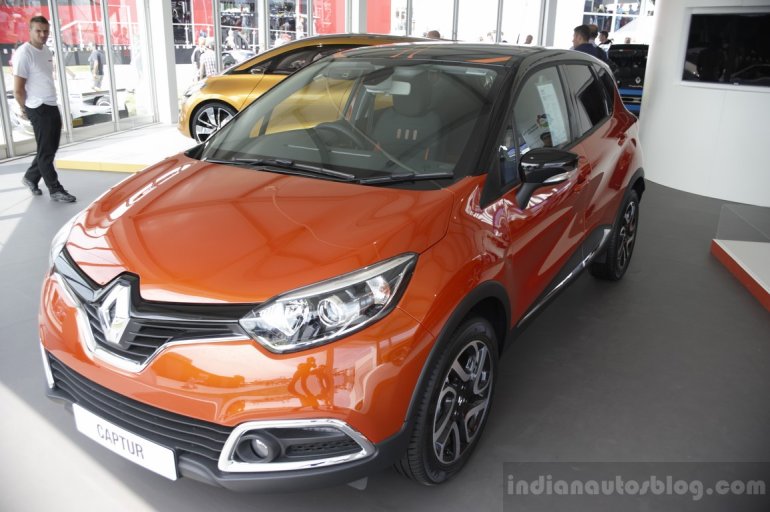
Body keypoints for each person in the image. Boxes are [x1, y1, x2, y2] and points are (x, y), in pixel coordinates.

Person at [13, 16, 76, 203]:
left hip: (50, 103)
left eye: (45, 31)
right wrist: (26, 109)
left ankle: (30, 178)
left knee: (49, 147)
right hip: (37, 106)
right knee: (46, 151)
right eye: (38, 31)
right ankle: (55, 189)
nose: (42, 34)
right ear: (30, 31)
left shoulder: (46, 50)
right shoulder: (25, 53)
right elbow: (18, 89)